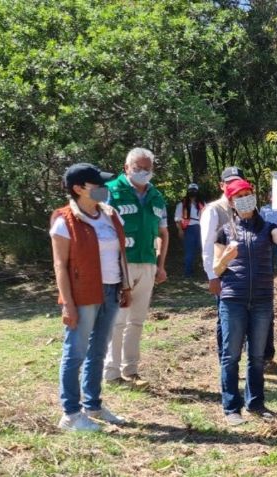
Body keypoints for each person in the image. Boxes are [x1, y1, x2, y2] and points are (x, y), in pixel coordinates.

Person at [50, 163, 131, 431]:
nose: (103, 189)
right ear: (78, 189)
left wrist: (125, 286)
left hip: (111, 289)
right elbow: (60, 265)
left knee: (98, 351)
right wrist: (68, 303)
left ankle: (93, 404)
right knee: (75, 352)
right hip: (83, 294)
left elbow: (120, 254)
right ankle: (71, 414)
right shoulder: (64, 220)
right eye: (97, 185)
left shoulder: (110, 214)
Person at [212, 179, 277, 425]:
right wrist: (226, 257)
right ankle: (231, 408)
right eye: (239, 196)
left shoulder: (268, 227)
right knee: (231, 355)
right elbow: (217, 269)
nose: (245, 198)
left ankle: (256, 403)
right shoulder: (224, 230)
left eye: (248, 193)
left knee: (257, 356)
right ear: (232, 202)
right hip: (232, 300)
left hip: (261, 300)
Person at [201, 167, 277, 374]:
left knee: (264, 320)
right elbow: (207, 245)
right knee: (227, 324)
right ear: (221, 185)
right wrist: (213, 276)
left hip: (257, 278)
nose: (236, 188)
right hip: (229, 278)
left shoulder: (254, 211)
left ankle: (264, 359)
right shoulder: (214, 210)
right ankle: (227, 363)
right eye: (229, 182)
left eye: (239, 182)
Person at [103, 148, 168, 387]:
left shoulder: (157, 196)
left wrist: (160, 265)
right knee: (117, 320)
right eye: (137, 168)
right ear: (126, 168)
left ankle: (131, 370)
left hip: (148, 264)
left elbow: (163, 232)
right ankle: (111, 373)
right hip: (120, 265)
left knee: (137, 320)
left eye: (147, 169)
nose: (143, 173)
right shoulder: (110, 191)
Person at [174, 183, 205, 278]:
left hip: (202, 229)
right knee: (189, 252)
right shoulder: (181, 205)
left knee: (205, 250)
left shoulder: (202, 204)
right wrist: (180, 230)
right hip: (189, 229)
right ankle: (188, 272)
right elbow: (178, 218)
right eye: (191, 190)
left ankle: (208, 271)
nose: (193, 192)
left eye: (194, 190)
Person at [260, 201, 277, 274]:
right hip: (267, 233)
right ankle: (270, 272)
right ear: (268, 197)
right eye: (270, 195)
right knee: (269, 253)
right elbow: (261, 221)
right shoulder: (263, 209)